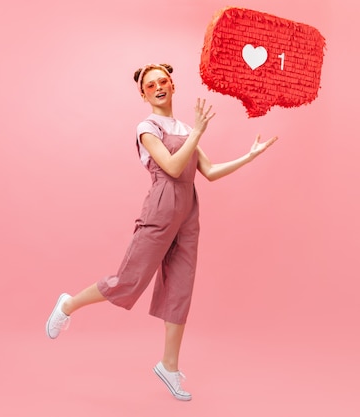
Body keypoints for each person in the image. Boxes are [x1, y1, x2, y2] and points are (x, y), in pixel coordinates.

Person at [45, 63, 278, 401]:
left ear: (172, 86)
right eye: (151, 84)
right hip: (161, 207)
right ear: (143, 94)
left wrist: (249, 157)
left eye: (164, 81)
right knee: (129, 280)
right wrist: (197, 133)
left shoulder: (184, 126)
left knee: (180, 289)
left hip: (188, 212)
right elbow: (170, 166)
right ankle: (68, 304)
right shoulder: (147, 127)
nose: (158, 86)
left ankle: (169, 366)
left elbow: (208, 171)